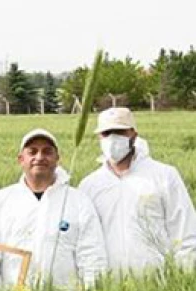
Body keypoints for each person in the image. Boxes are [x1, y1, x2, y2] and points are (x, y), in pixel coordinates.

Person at [0, 129, 107, 291]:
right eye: (32, 152)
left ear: (57, 159)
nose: (39, 157)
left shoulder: (78, 201)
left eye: (47, 152)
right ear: (21, 159)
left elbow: (91, 255)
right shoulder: (1, 201)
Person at [78, 107, 196, 274]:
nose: (113, 138)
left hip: (158, 284)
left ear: (133, 134)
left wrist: (183, 279)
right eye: (107, 133)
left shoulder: (164, 175)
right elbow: (84, 242)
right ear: (99, 137)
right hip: (108, 287)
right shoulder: (89, 185)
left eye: (120, 132)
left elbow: (185, 231)